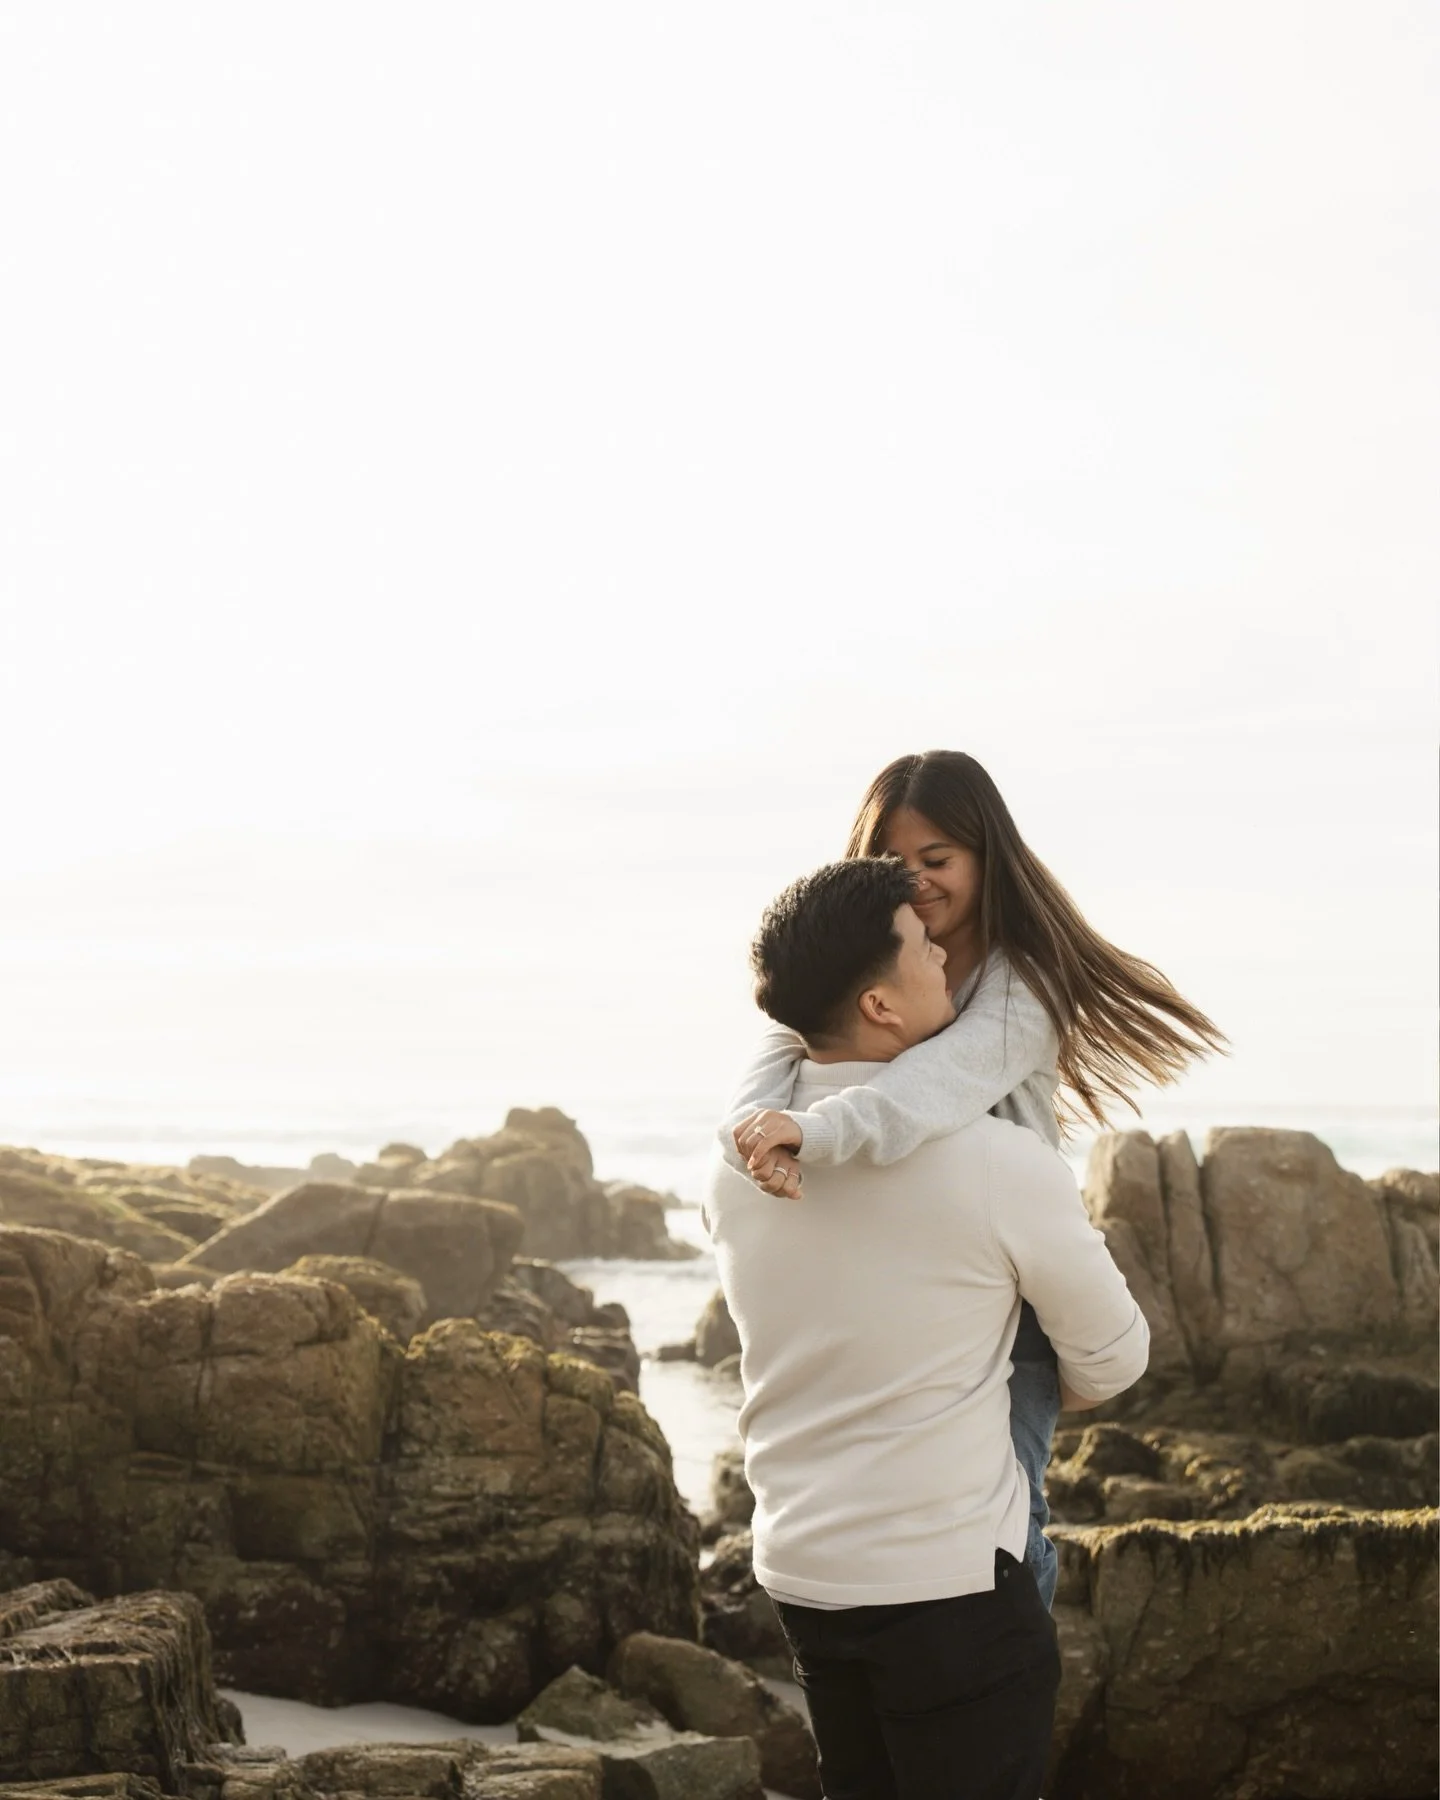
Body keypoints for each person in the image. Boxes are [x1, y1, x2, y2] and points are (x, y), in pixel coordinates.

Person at [722, 749, 1223, 1606]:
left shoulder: (1020, 984)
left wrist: (809, 1131)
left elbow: (931, 1089)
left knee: (1009, 1517)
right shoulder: (869, 962)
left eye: (939, 859)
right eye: (896, 860)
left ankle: (1007, 1657)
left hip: (1004, 1278)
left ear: (989, 860)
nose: (917, 880)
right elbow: (779, 1044)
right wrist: (749, 1141)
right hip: (900, 1264)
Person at [702, 857, 1150, 1799]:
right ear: (878, 1003)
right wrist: (1006, 1383)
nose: (945, 953)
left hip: (803, 1574)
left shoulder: (735, 1171)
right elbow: (1116, 1357)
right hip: (948, 1588)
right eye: (921, 945)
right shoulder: (997, 1162)